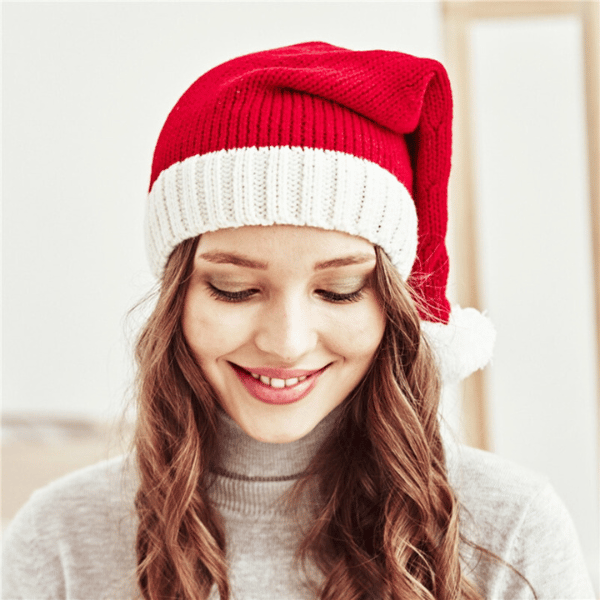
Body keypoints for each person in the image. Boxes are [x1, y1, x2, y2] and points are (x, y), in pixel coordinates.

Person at [2, 41, 594, 600]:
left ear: (391, 304)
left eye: (338, 291)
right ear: (177, 299)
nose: (286, 342)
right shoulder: (59, 540)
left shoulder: (512, 530)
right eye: (235, 290)